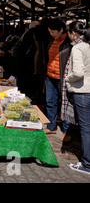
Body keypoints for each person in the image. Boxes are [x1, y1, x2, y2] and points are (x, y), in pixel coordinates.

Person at [64, 21, 90, 175]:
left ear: (73, 33)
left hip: (83, 92)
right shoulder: (88, 45)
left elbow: (78, 72)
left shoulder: (77, 48)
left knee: (85, 129)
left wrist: (68, 78)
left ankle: (87, 164)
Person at [45, 18, 72, 142]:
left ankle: (67, 131)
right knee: (50, 101)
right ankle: (51, 126)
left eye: (53, 31)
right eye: (49, 32)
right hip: (50, 75)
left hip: (63, 78)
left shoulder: (69, 42)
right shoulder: (51, 40)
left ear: (61, 30)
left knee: (65, 104)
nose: (51, 34)